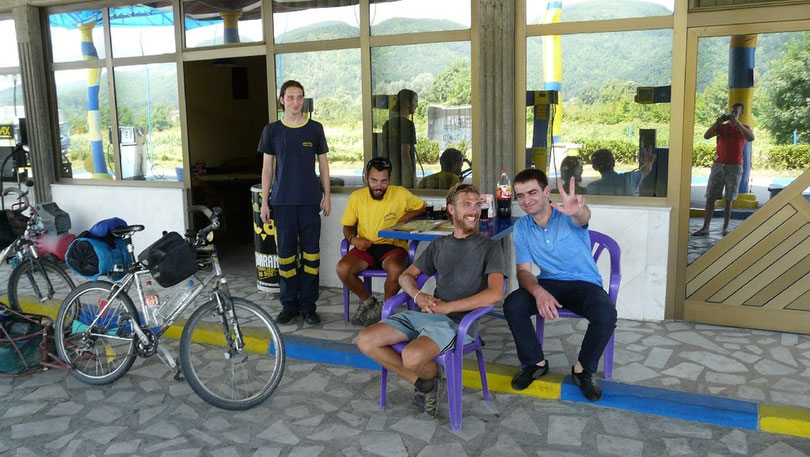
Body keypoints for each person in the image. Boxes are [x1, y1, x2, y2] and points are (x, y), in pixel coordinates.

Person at [357, 183, 505, 418]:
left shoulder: (490, 247)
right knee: (366, 340)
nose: (474, 211)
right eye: (466, 205)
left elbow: (495, 293)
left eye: (477, 205)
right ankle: (426, 384)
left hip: (457, 324)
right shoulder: (439, 245)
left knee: (412, 356)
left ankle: (427, 380)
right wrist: (418, 295)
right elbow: (406, 276)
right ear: (451, 210)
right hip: (427, 314)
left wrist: (448, 308)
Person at [504, 169, 616, 402]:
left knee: (605, 313)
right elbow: (523, 272)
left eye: (532, 192)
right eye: (520, 195)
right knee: (513, 304)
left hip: (584, 283)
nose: (526, 200)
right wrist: (539, 292)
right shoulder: (522, 227)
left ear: (547, 191)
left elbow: (582, 217)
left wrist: (579, 211)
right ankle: (536, 362)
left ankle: (582, 369)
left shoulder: (566, 213)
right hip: (549, 282)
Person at [258, 80, 331, 326]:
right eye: (290, 97)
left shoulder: (315, 129)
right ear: (282, 100)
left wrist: (327, 196)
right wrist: (265, 202)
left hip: (310, 201)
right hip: (282, 203)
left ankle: (309, 306)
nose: (295, 102)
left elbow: (323, 165)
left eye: (299, 97)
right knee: (286, 257)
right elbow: (267, 169)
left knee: (311, 256)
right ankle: (289, 305)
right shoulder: (272, 131)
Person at [338, 157, 426, 327]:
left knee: (396, 268)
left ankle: (385, 308)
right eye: (374, 180)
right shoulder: (356, 197)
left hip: (393, 246)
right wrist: (353, 239)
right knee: (342, 268)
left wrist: (405, 218)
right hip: (366, 246)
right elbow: (347, 226)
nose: (378, 186)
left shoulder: (400, 193)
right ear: (366, 178)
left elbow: (421, 206)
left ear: (390, 180)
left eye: (383, 181)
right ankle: (369, 303)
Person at [692, 102, 755, 237]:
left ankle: (725, 228)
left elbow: (751, 138)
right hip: (718, 164)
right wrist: (717, 123)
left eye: (736, 112)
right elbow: (707, 135)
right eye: (732, 111)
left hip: (735, 166)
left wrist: (736, 123)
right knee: (710, 196)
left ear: (741, 114)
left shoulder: (744, 127)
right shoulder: (722, 127)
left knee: (729, 198)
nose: (733, 114)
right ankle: (705, 227)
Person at [382, 89, 418, 188]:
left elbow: (384, 152)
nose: (417, 105)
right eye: (415, 101)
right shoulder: (408, 125)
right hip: (404, 178)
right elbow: (405, 153)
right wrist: (411, 178)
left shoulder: (387, 124)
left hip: (390, 176)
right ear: (407, 103)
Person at [586, 148, 655, 196]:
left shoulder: (592, 187)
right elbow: (646, 170)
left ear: (594, 167)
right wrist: (649, 161)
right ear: (613, 163)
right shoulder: (629, 178)